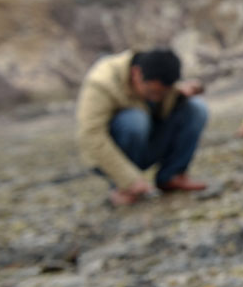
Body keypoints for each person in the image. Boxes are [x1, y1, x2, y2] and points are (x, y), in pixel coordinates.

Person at [76, 49, 208, 206]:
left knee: (196, 107)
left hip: (148, 142)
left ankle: (172, 175)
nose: (156, 98)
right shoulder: (102, 82)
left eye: (162, 94)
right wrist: (129, 180)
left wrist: (183, 91)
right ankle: (123, 187)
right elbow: (90, 136)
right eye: (152, 92)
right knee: (135, 120)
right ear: (136, 73)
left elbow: (168, 93)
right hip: (114, 153)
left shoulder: (158, 74)